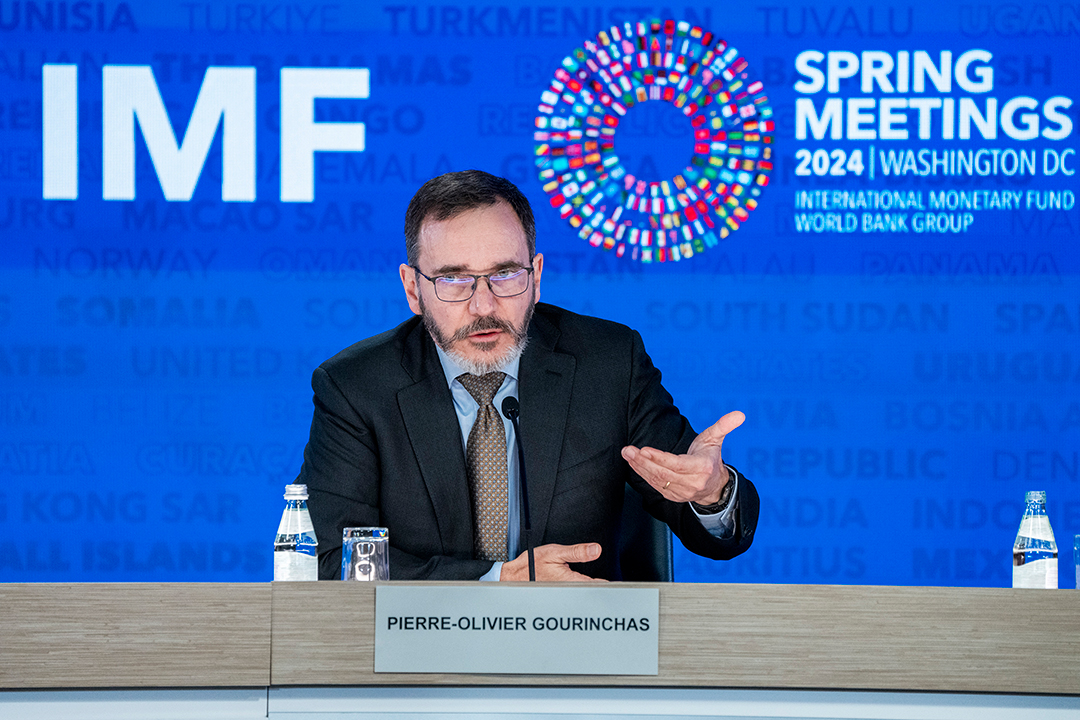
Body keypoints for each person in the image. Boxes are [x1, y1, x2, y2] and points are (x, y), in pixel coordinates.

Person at [296, 170, 759, 581]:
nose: (483, 306)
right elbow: (333, 558)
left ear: (536, 276)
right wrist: (495, 583)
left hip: (584, 650)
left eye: (505, 275)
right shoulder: (356, 388)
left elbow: (707, 523)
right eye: (454, 280)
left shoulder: (608, 363)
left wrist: (714, 493)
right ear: (413, 289)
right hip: (417, 658)